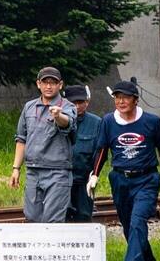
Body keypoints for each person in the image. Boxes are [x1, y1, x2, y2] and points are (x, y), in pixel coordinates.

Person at [90, 80, 160, 261]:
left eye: (125, 98)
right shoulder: (108, 121)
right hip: (120, 180)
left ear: (135, 100)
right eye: (117, 98)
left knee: (138, 221)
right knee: (130, 227)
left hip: (146, 180)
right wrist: (95, 175)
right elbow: (102, 150)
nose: (121, 102)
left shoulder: (152, 121)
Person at [11, 66, 74, 223]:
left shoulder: (66, 106)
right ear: (38, 84)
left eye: (53, 83)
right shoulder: (29, 107)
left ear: (60, 85)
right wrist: (16, 169)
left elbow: (67, 124)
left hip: (58, 171)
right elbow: (21, 139)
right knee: (32, 217)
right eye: (45, 82)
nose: (49, 86)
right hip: (33, 170)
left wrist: (58, 115)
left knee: (52, 220)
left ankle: (53, 248)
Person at [64, 85, 104, 222]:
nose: (77, 106)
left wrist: (94, 174)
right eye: (73, 103)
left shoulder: (97, 123)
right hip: (61, 179)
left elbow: (100, 151)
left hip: (84, 179)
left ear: (87, 102)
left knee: (84, 216)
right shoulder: (58, 120)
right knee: (61, 217)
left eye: (80, 102)